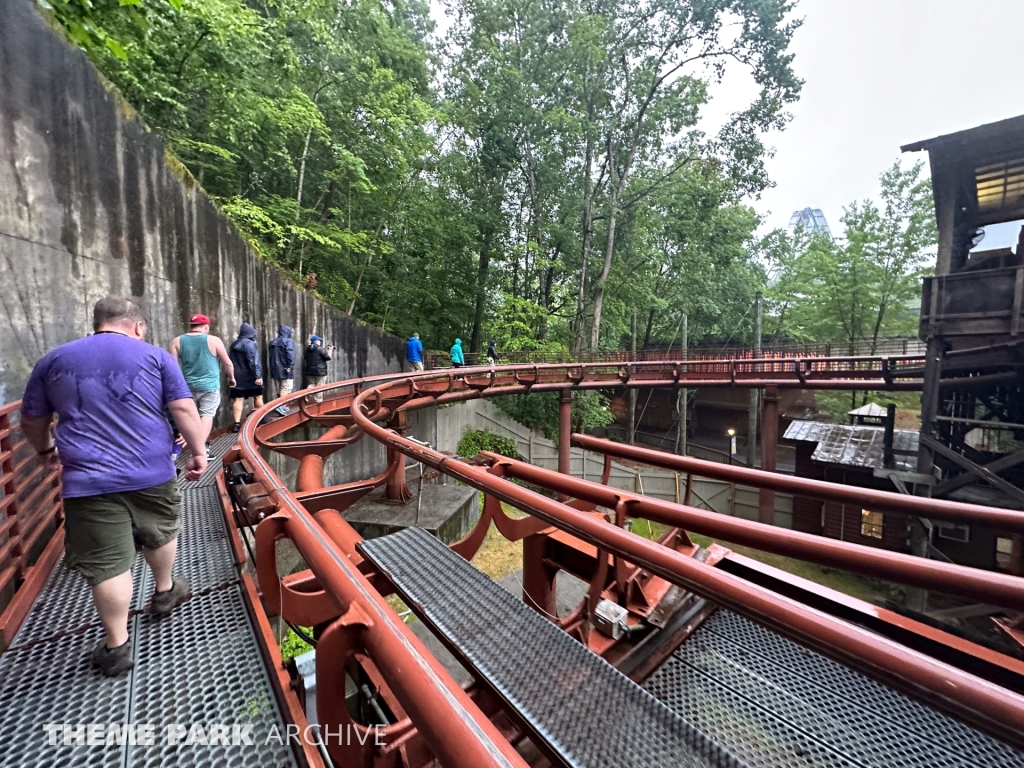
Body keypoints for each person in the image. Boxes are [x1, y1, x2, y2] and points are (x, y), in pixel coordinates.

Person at [20, 298, 208, 677]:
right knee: (160, 531)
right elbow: (185, 410)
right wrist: (199, 453)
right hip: (151, 473)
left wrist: (44, 450)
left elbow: (32, 419)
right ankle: (166, 590)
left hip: (86, 480)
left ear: (98, 323)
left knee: (108, 564)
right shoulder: (154, 357)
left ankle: (117, 646)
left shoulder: (54, 360)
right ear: (137, 326)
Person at [170, 313, 234, 458]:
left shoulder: (177, 341)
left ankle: (184, 444)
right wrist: (232, 379)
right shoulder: (214, 340)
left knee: (189, 415)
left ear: (191, 326)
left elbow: (172, 367)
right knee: (207, 415)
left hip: (187, 387)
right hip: (209, 387)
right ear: (206, 327)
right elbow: (228, 363)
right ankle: (200, 449)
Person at [228, 322, 264, 432]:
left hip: (237, 376)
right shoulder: (250, 344)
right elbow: (253, 361)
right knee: (258, 396)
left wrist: (229, 376)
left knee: (238, 399)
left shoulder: (234, 344)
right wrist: (258, 375)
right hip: (250, 376)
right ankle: (261, 418)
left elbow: (230, 362)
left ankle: (236, 424)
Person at [268, 324, 296, 400]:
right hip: (285, 369)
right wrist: (290, 366)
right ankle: (282, 406)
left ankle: (279, 406)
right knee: (285, 388)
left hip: (274, 369)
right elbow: (290, 354)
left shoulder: (272, 342)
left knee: (278, 389)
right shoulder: (288, 341)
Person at [303, 335, 333, 403]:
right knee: (320, 386)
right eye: (319, 340)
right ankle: (318, 401)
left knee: (312, 384)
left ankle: (307, 394)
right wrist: (330, 350)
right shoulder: (320, 349)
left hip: (309, 371)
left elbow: (305, 358)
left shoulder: (306, 349)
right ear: (316, 341)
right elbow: (328, 358)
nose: (320, 342)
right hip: (320, 372)